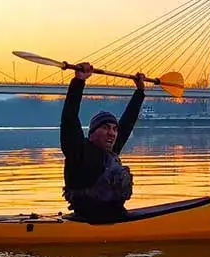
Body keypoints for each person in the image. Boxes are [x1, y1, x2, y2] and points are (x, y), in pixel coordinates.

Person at [60, 62, 146, 223]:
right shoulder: (78, 152)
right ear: (92, 134)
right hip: (88, 221)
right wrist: (79, 81)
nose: (112, 133)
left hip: (117, 217)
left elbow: (127, 123)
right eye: (105, 128)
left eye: (114, 129)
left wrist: (140, 91)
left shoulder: (110, 152)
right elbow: (69, 119)